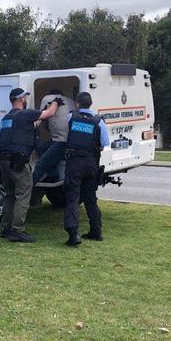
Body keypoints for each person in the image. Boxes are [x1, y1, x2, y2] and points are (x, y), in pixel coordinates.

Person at [0, 88, 62, 242]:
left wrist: (41, 114)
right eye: (25, 97)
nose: (26, 100)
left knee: (10, 195)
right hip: (18, 163)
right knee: (23, 195)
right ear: (21, 99)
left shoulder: (7, 118)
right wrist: (54, 102)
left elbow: (32, 125)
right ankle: (17, 230)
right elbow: (50, 114)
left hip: (5, 162)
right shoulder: (25, 114)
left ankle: (6, 228)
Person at [63, 91, 110, 246]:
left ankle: (73, 235)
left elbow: (66, 135)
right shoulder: (99, 121)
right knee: (90, 198)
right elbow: (104, 143)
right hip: (91, 164)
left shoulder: (71, 117)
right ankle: (96, 231)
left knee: (72, 198)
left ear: (77, 104)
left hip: (74, 163)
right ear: (91, 104)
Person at [33, 90, 75, 184]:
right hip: (69, 141)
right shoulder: (71, 102)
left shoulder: (47, 99)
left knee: (41, 164)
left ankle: (26, 190)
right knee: (42, 148)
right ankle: (53, 175)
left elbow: (42, 120)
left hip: (61, 142)